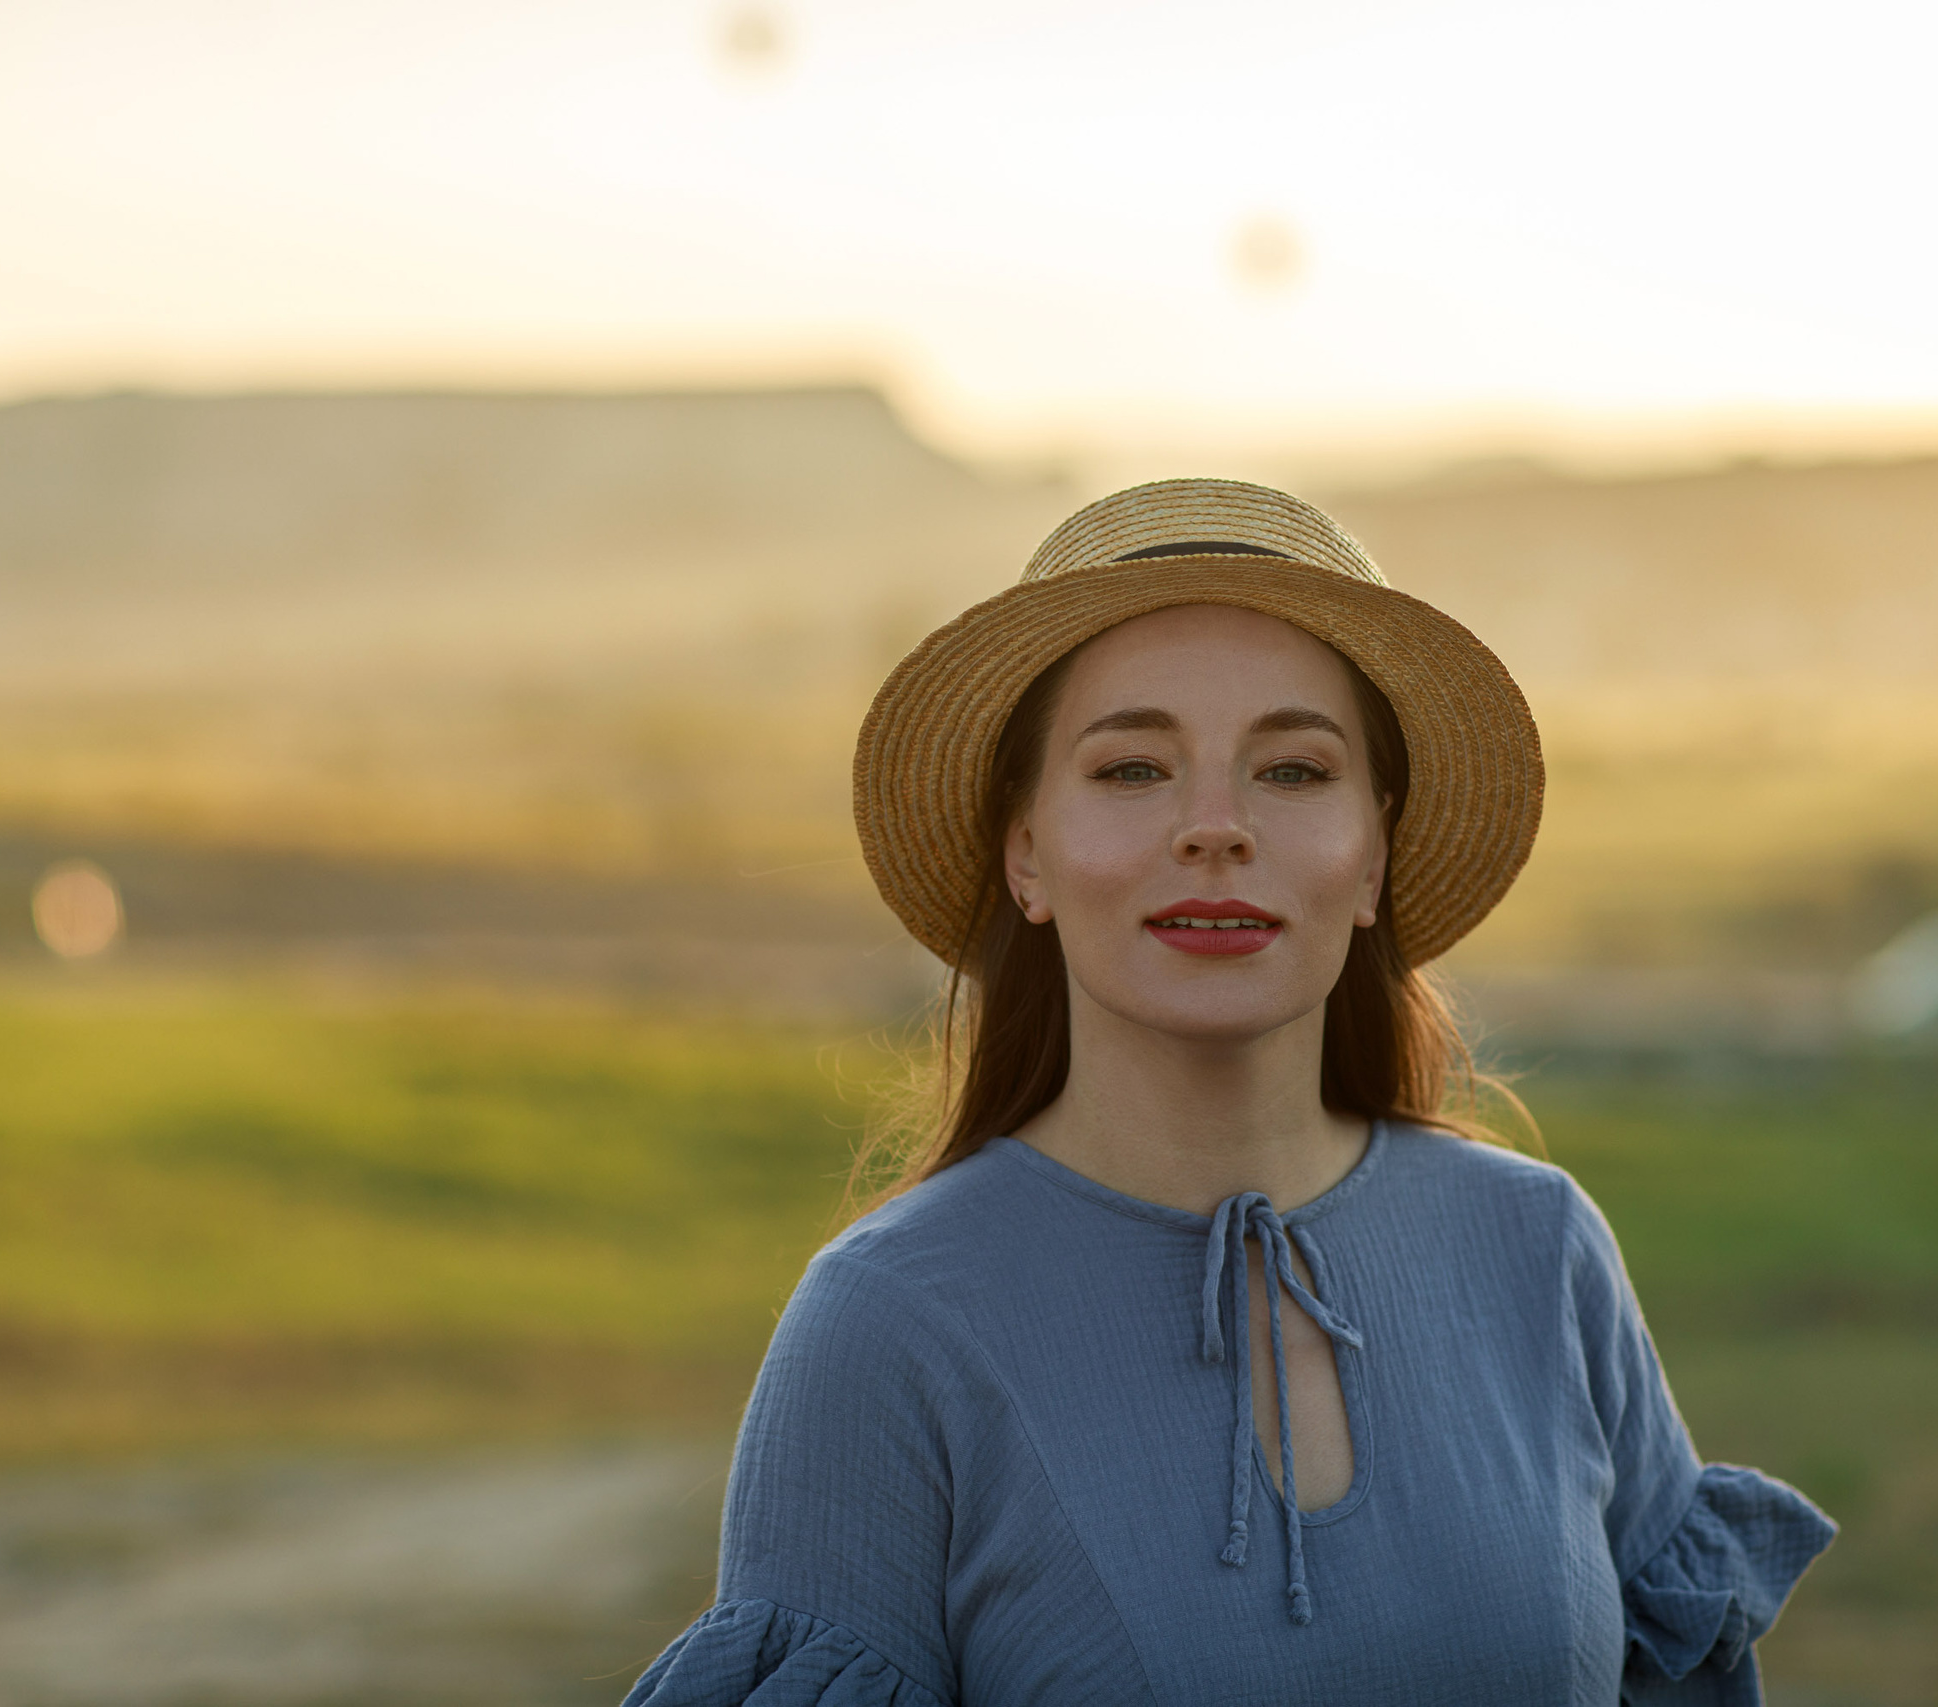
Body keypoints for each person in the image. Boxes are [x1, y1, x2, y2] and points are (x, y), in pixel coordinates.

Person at [622, 479, 1834, 1706]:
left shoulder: (1539, 1249)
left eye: (1295, 772)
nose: (1214, 828)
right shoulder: (888, 1325)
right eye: (1134, 767)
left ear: (1375, 854)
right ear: (1025, 852)